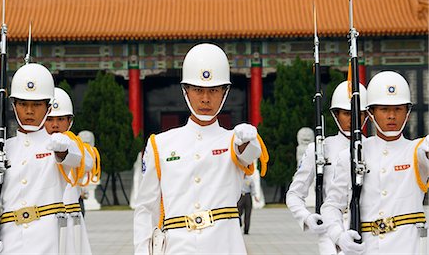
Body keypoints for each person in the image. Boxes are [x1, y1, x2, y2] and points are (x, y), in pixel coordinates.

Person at [133, 43, 268, 254]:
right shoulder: (160, 144)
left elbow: (250, 154)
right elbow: (145, 207)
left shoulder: (234, 140)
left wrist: (248, 142)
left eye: (214, 90)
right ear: (185, 90)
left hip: (225, 246)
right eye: (198, 90)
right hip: (177, 247)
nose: (205, 99)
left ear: (225, 92)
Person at [0, 63, 85, 254]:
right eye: (23, 104)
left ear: (48, 107)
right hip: (9, 245)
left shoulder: (59, 145)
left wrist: (63, 149)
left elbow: (76, 158)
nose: (29, 111)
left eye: (36, 104)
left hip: (50, 244)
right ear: (14, 106)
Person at [321, 71, 429, 254]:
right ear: (370, 113)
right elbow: (331, 205)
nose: (391, 116)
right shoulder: (352, 154)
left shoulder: (417, 151)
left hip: (408, 247)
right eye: (384, 109)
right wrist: (338, 235)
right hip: (367, 249)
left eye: (398, 109)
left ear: (407, 113)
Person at [286, 81, 367, 254]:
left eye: (359, 113)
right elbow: (294, 194)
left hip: (366, 229)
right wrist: (306, 217)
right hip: (330, 232)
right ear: (336, 115)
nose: (354, 119)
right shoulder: (319, 148)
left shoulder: (372, 149)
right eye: (347, 113)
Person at [44, 87, 93, 254]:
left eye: (61, 119)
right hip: (44, 225)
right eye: (49, 119)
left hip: (72, 226)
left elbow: (87, 161)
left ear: (70, 121)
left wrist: (65, 149)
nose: (55, 125)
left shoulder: (78, 147)